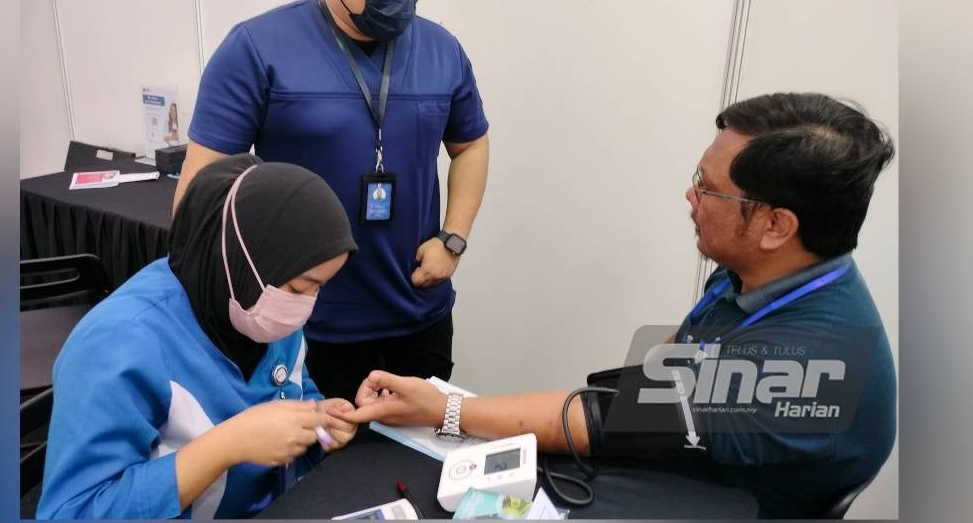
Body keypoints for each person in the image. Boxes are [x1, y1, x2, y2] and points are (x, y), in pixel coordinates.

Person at [332, 93, 897, 518]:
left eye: (709, 187)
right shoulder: (758, 272)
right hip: (683, 464)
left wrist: (443, 410)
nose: (691, 196)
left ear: (776, 225)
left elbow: (606, 419)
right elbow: (654, 385)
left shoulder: (808, 366)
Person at [175, 0, 490, 401]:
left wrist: (452, 239)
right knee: (319, 474)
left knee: (416, 466)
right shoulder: (258, 49)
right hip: (308, 327)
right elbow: (198, 195)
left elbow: (471, 145)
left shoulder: (442, 50)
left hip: (418, 310)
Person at [37, 154, 361, 519]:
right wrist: (225, 446)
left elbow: (294, 389)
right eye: (299, 287)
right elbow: (74, 511)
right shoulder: (116, 346)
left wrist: (320, 421)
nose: (305, 306)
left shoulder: (256, 302)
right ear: (241, 263)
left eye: (319, 288)